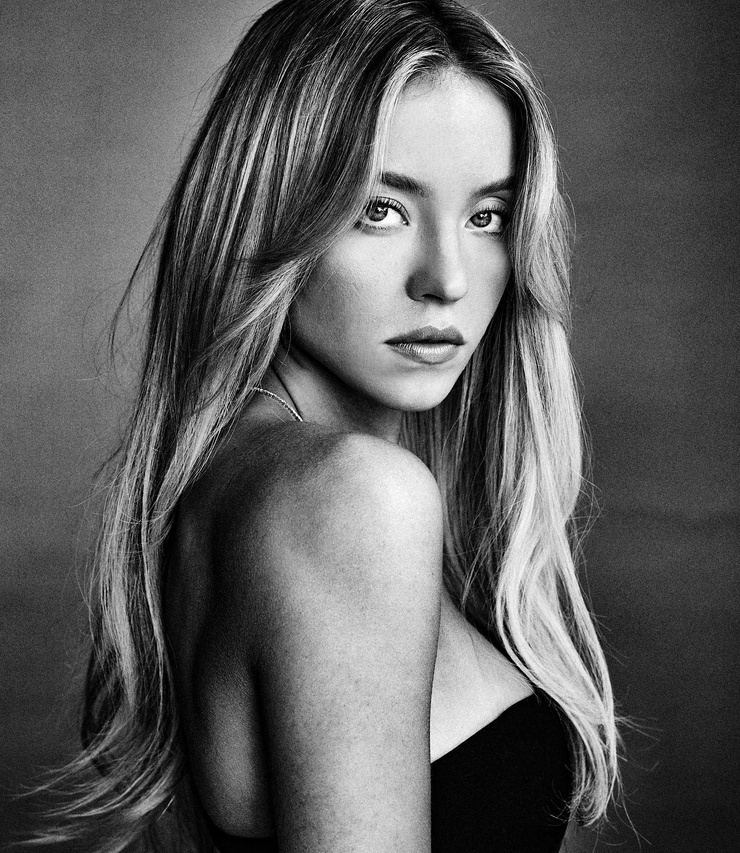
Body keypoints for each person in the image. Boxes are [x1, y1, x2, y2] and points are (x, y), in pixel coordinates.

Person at [41, 1, 621, 851]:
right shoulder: (353, 497)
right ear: (270, 216)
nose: (447, 279)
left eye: (487, 216)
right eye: (379, 209)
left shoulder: (227, 485)